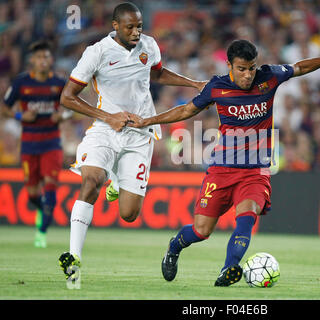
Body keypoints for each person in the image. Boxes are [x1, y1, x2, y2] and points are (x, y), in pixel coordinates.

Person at [127, 39, 320, 286]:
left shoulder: (269, 77)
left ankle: (229, 269)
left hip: (255, 172)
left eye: (251, 68)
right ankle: (174, 246)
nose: (248, 74)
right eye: (242, 69)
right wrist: (147, 121)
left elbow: (300, 67)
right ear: (229, 65)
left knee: (247, 216)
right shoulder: (216, 87)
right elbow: (186, 111)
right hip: (221, 170)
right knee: (201, 231)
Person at [57, 2, 206, 284]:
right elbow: (67, 97)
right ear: (116, 26)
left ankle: (116, 183)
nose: (136, 31)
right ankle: (74, 257)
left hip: (140, 133)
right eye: (130, 27)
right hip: (104, 128)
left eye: (139, 26)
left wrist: (193, 83)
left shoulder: (149, 45)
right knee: (90, 181)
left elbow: (157, 73)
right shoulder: (97, 52)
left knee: (128, 214)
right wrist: (107, 116)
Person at [1, 40, 69, 248]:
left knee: (50, 186)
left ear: (51, 60)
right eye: (39, 57)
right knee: (32, 194)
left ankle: (42, 231)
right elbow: (4, 107)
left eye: (46, 57)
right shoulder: (21, 83)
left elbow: (73, 108)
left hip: (51, 143)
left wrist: (63, 115)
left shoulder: (59, 84)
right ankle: (44, 210)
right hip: (29, 144)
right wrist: (21, 115)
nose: (43, 61)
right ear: (32, 60)